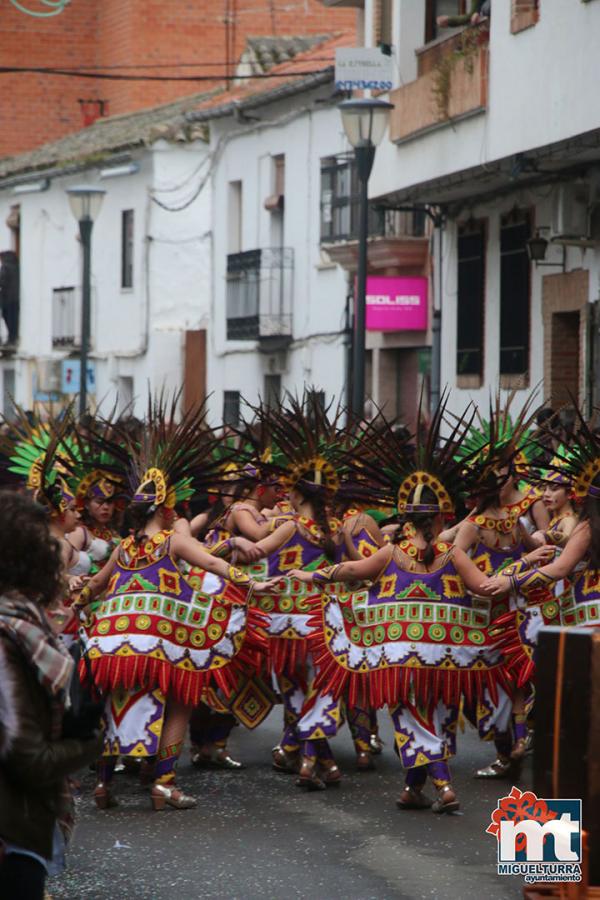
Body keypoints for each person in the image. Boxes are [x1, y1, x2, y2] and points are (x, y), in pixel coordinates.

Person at [291, 398, 506, 812]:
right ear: (440, 519)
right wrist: (522, 577)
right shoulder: (451, 554)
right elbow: (485, 589)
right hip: (445, 653)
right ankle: (413, 788)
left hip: (398, 652)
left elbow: (350, 571)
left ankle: (443, 786)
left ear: (406, 519)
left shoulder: (390, 552)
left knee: (409, 715)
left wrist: (310, 576)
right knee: (436, 713)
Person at [76, 398, 274, 811]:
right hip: (158, 637)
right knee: (181, 696)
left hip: (110, 641)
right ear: (166, 510)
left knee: (118, 702)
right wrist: (255, 587)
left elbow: (94, 585)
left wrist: (74, 602)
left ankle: (104, 783)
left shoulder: (125, 546)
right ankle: (164, 783)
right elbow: (215, 563)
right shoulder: (173, 540)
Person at [0, 492, 102, 900]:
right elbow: (26, 758)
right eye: (52, 549)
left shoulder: (23, 626)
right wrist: (89, 741)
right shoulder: (11, 636)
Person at [0, 250, 19, 344]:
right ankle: (13, 337)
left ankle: (11, 338)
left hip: (7, 298)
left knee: (6, 316)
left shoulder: (5, 266)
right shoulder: (16, 266)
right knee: (13, 319)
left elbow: (2, 280)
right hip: (15, 298)